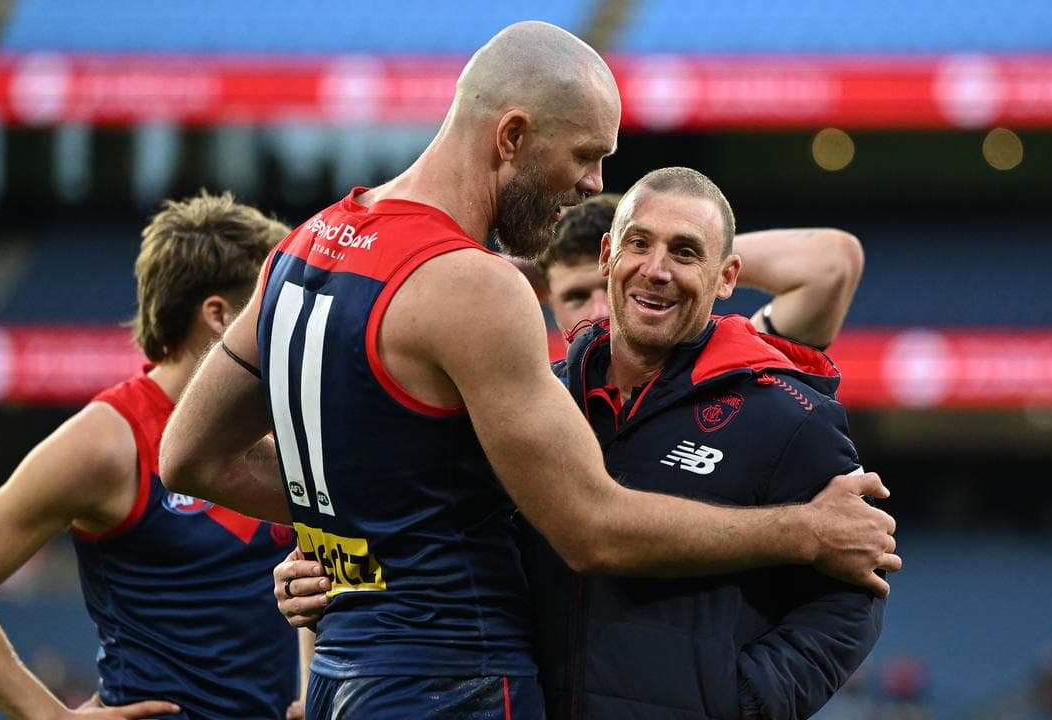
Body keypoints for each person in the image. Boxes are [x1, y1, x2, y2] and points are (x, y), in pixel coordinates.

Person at [160, 21, 898, 719]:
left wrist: (360, 536)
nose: (593, 184)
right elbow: (591, 528)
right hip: (456, 679)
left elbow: (189, 457)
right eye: (585, 156)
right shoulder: (477, 286)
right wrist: (805, 532)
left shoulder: (303, 247)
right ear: (512, 136)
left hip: (344, 673)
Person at [276, 173, 882, 718]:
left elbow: (858, 585)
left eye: (686, 252)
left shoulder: (785, 412)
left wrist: (746, 700)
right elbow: (438, 525)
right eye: (638, 244)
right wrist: (334, 570)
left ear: (727, 278)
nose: (656, 269)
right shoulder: (529, 404)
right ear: (607, 254)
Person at [0, 191, 306, 720]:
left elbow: (309, 562)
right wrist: (51, 716)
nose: (285, 326)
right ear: (218, 314)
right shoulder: (109, 440)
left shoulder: (279, 424)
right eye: (269, 308)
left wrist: (312, 687)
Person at [536, 192, 863, 347]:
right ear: (550, 302)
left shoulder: (728, 382)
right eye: (576, 296)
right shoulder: (536, 407)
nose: (598, 313)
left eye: (611, 286)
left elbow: (832, 262)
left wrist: (690, 259)